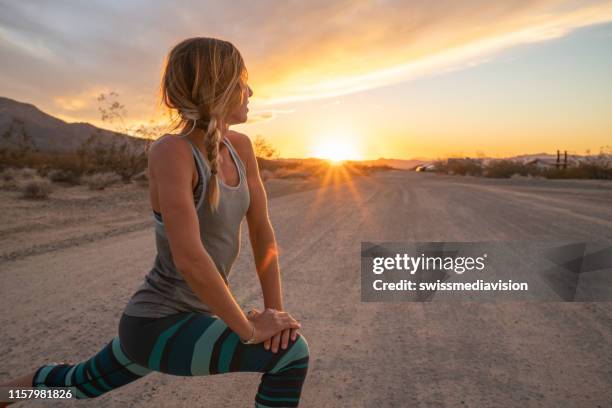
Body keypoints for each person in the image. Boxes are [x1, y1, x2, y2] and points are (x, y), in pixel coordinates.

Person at [0, 37, 309, 408]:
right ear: (219, 86)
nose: (250, 90)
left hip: (182, 319)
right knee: (291, 355)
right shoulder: (172, 152)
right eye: (242, 80)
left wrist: (275, 316)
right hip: (157, 324)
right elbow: (190, 258)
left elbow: (262, 233)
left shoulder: (240, 146)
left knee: (80, 384)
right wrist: (248, 331)